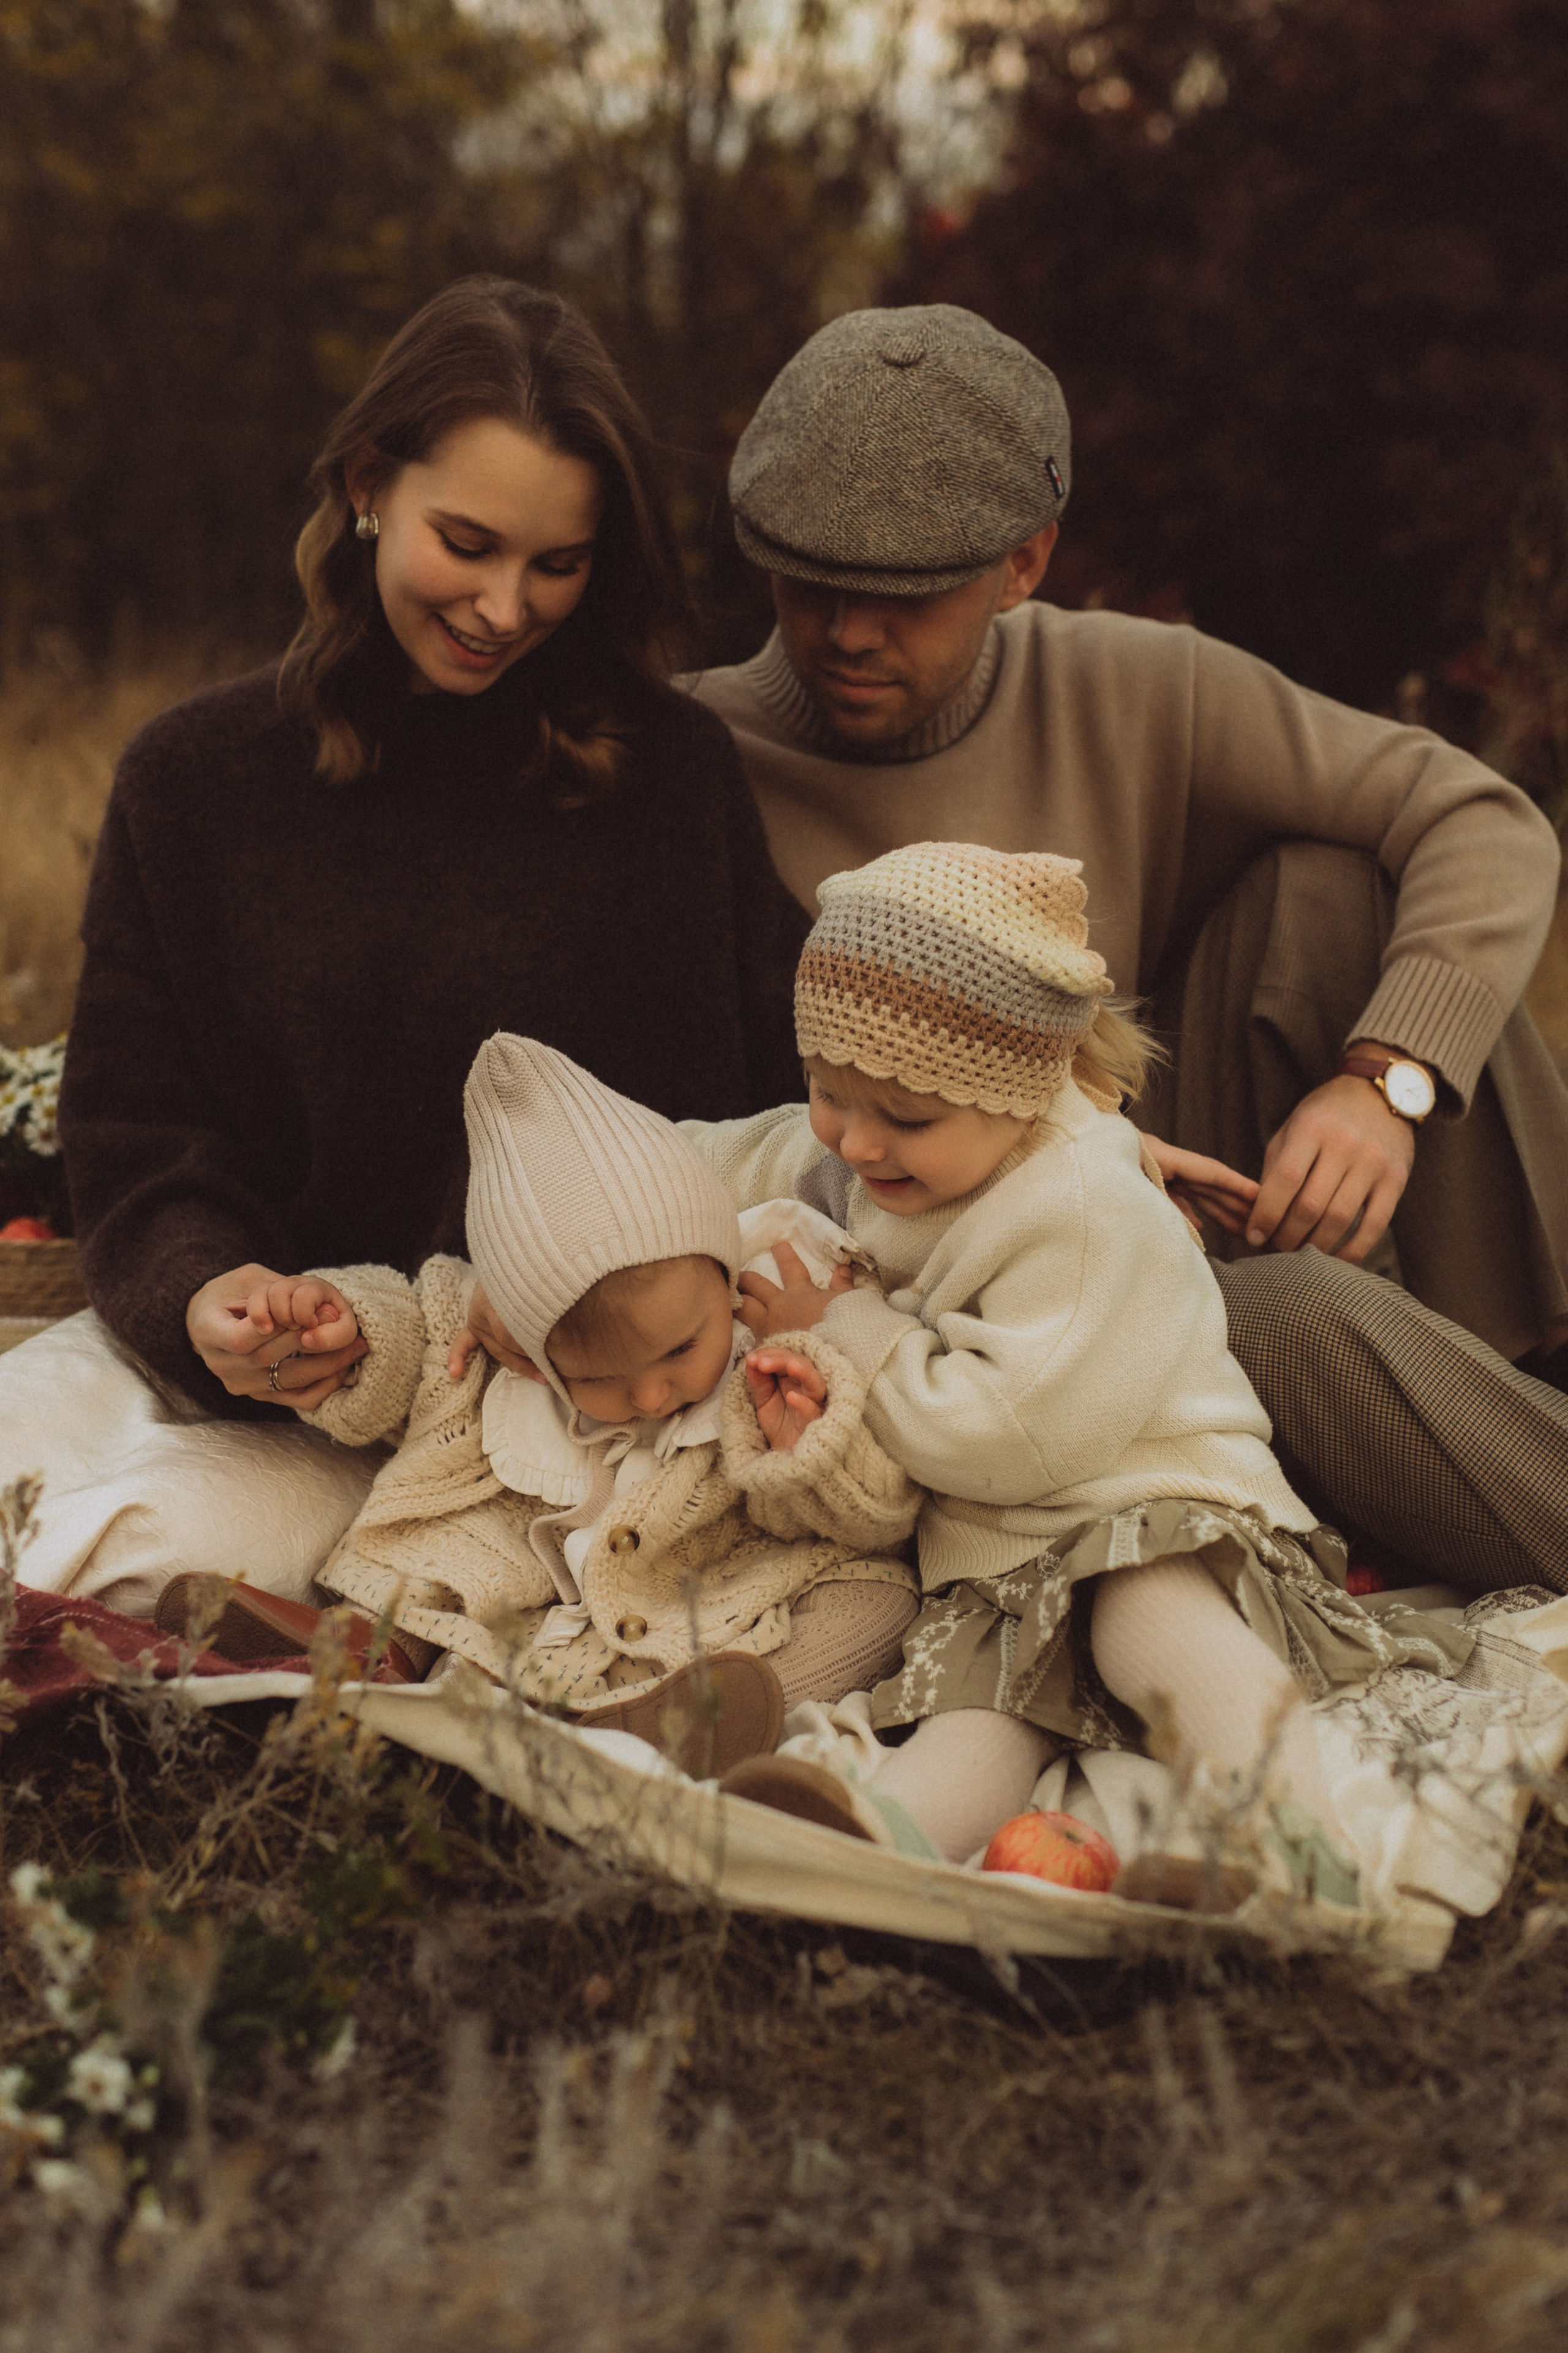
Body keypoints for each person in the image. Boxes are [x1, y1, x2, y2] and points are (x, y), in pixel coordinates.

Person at [686, 302, 1568, 1587]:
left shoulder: (1136, 684)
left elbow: (1475, 817)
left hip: (1160, 1183)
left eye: (906, 594)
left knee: (1327, 883)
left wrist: (1386, 1082)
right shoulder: (689, 763)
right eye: (807, 579)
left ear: (1024, 563)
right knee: (1307, 1323)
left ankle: (1515, 1376)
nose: (846, 631)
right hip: (943, 1287)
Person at [2, 277, 809, 1616]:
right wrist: (208, 1293)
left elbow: (797, 1084)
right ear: (370, 482)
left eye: (558, 564)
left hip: (521, 1423)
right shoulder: (193, 779)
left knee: (97, 1557)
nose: (504, 606)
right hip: (252, 1365)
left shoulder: (669, 780)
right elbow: (139, 1138)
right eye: (467, 541)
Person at [682, 842, 1471, 1894]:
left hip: (1146, 1499)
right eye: (830, 1092)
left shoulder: (1082, 1207)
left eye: (904, 1117)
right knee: (981, 1710)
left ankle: (1288, 1838)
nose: (858, 1145)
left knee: (1152, 1621)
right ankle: (872, 1842)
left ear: (1018, 1094)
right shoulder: (884, 1147)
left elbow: (1010, 1437)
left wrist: (854, 1323)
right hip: (1006, 1551)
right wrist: (588, 1209)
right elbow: (739, 1150)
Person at [159, 1035, 920, 1770]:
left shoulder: (769, 1347)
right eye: (597, 1379)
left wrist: (803, 1441)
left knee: (874, 1603)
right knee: (443, 1588)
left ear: (722, 1275)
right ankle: (367, 1655)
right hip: (517, 1614)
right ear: (525, 1340)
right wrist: (339, 1325)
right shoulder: (491, 1343)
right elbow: (405, 1339)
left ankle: (676, 1726)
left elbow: (869, 1519)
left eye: (681, 1350)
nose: (651, 1394)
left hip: (702, 1605)